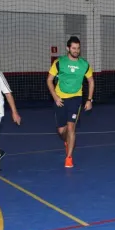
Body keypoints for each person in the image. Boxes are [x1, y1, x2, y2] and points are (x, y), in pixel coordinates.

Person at [46, 36, 94, 168]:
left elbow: (91, 81)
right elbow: (49, 80)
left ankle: (69, 157)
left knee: (71, 127)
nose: (76, 50)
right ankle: (66, 141)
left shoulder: (84, 65)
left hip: (75, 99)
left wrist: (89, 100)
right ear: (68, 48)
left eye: (78, 48)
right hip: (60, 99)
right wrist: (55, 97)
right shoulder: (59, 62)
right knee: (62, 131)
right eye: (73, 48)